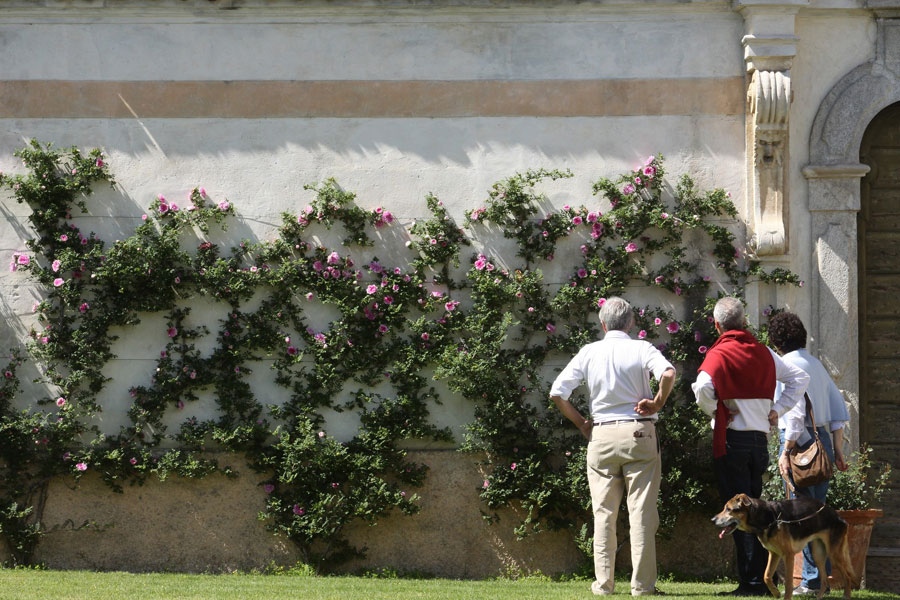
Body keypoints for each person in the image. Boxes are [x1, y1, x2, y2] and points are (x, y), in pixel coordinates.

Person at [550, 296, 676, 596]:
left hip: (602, 434)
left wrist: (582, 423)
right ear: (631, 323)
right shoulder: (641, 347)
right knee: (642, 513)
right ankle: (642, 586)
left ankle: (604, 584)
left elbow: (557, 393)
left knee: (603, 513)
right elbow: (669, 373)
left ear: (603, 323)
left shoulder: (589, 351)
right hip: (638, 432)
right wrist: (657, 401)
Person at [692, 297, 808, 597]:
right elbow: (799, 377)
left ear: (717, 325)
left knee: (739, 514)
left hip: (732, 440)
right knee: (756, 511)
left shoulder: (719, 354)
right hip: (759, 442)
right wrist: (778, 409)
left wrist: (715, 409)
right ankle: (758, 580)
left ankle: (751, 583)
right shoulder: (765, 353)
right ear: (744, 322)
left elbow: (702, 388)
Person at [768, 311, 850, 596]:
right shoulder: (816, 364)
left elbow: (795, 414)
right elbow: (840, 410)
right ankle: (821, 581)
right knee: (818, 514)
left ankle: (812, 581)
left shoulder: (784, 365)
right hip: (822, 443)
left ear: (776, 341)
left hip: (798, 444)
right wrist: (838, 450)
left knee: (800, 516)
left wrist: (785, 451)